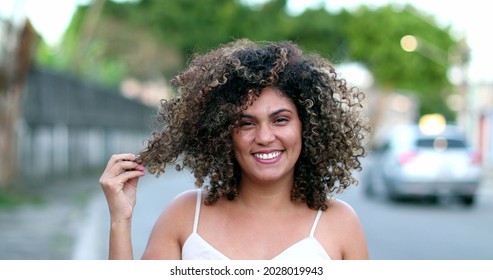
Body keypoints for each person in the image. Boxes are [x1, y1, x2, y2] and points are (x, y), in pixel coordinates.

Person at [99, 39, 371, 260]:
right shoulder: (184, 216)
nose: (265, 137)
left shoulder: (341, 224)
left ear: (308, 126)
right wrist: (120, 220)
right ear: (222, 132)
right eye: (246, 123)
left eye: (280, 120)